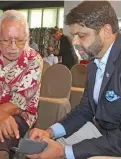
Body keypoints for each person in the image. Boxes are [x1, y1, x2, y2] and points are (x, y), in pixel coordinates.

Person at [27, 1, 121, 159]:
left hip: (116, 141)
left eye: (82, 36)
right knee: (42, 151)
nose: (75, 42)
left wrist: (64, 152)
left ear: (106, 31)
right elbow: (85, 110)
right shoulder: (94, 63)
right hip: (101, 132)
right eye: (74, 36)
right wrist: (49, 132)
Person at [0, 10, 43, 159]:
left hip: (17, 115)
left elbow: (16, 105)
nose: (13, 47)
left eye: (19, 40)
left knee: (0, 131)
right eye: (6, 40)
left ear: (27, 38)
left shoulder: (33, 60)